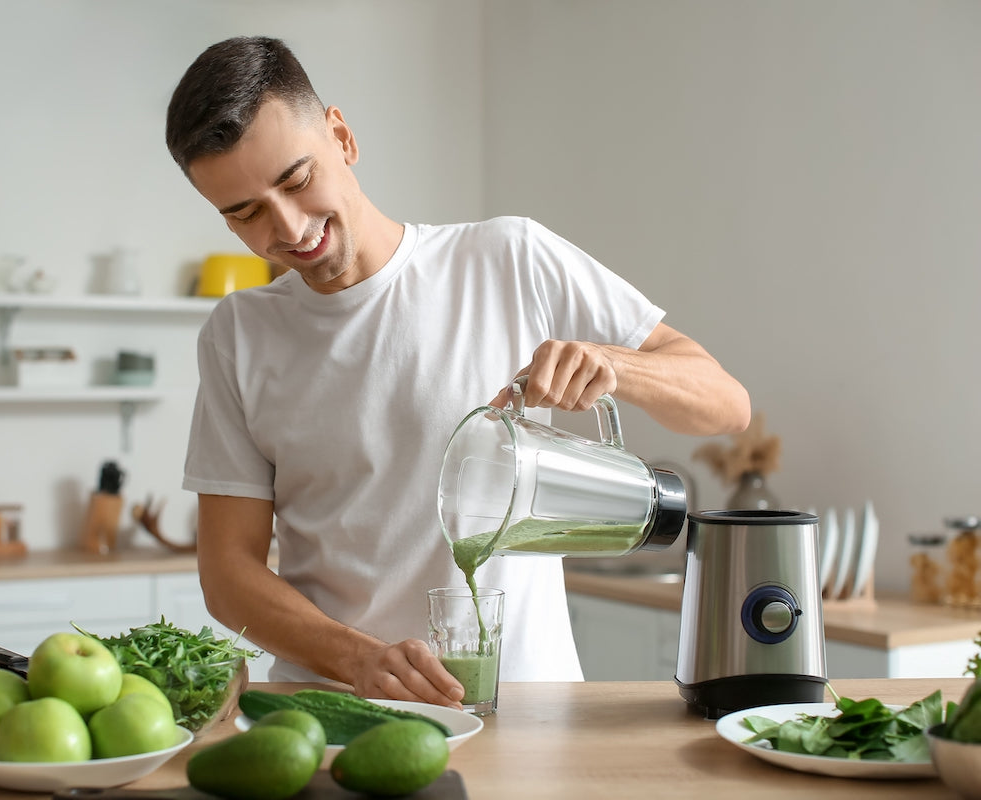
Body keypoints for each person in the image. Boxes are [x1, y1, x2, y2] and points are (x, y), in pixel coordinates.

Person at [165, 36, 750, 708]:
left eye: (297, 180)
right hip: (331, 714)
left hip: (529, 711)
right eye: (245, 213)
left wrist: (613, 364)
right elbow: (228, 575)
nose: (290, 228)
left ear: (342, 137)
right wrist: (357, 659)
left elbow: (725, 403)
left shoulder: (508, 258)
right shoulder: (240, 335)